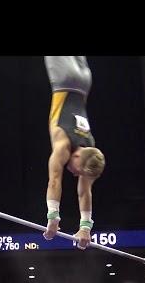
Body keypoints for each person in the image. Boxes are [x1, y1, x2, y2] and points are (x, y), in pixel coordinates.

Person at [42, 56, 106, 250]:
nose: (76, 174)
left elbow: (84, 192)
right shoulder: (63, 145)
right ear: (77, 156)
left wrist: (85, 227)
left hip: (85, 82)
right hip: (64, 79)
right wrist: (53, 216)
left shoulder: (91, 151)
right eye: (78, 171)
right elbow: (54, 180)